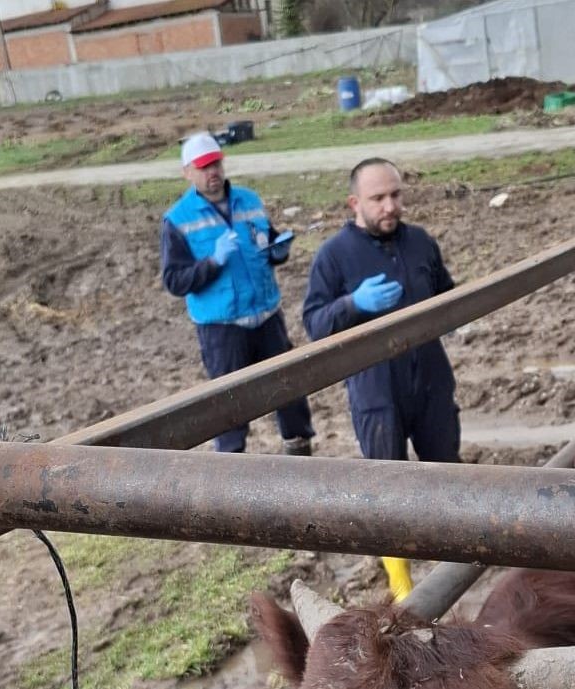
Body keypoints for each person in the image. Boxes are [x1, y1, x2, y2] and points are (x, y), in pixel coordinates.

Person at [302, 156, 461, 601]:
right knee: (385, 478)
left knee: (445, 467)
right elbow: (315, 322)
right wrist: (353, 304)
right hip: (375, 386)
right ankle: (399, 576)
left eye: (396, 195)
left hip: (429, 374)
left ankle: (455, 555)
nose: (390, 206)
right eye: (378, 198)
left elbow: (448, 296)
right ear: (355, 202)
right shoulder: (333, 256)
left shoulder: (421, 243)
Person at [160, 131, 316, 456]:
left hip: (267, 316)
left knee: (287, 389)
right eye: (203, 167)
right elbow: (175, 281)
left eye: (215, 164)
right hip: (222, 328)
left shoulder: (249, 201)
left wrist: (278, 250)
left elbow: (268, 241)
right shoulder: (178, 220)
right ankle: (230, 472)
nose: (212, 172)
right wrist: (213, 262)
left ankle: (299, 452)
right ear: (186, 172)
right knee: (229, 405)